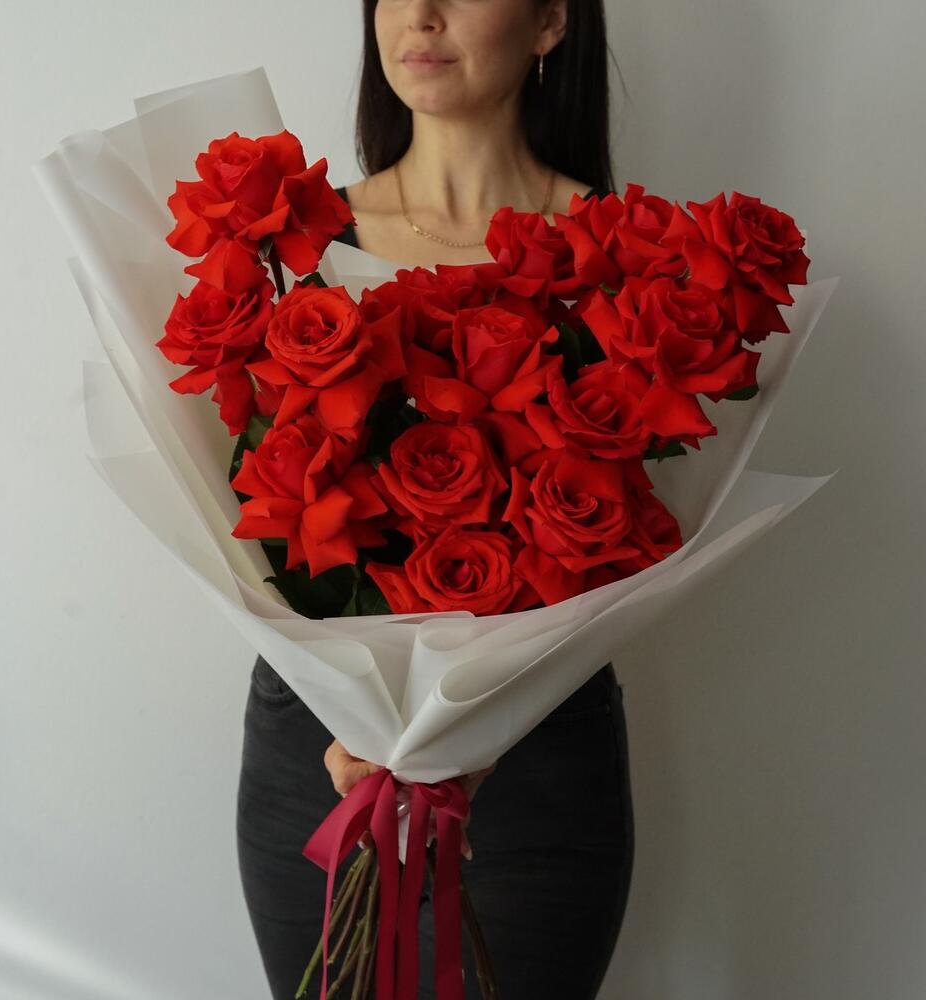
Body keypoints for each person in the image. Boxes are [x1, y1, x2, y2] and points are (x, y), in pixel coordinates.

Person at [235, 2, 633, 997]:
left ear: (551, 20)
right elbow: (242, 493)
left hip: (534, 753)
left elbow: (632, 530)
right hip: (320, 750)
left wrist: (477, 727)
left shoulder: (625, 254)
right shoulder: (291, 243)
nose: (419, 14)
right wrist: (359, 718)